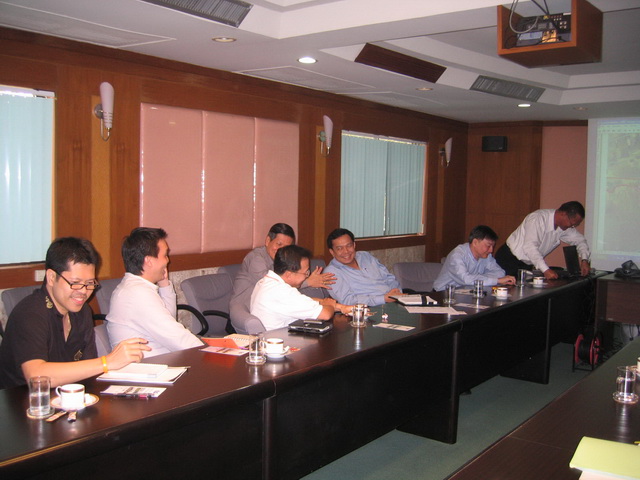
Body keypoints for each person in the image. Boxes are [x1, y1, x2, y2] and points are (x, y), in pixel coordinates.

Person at [0, 237, 150, 389]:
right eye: (75, 283)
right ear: (51, 277)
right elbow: (36, 376)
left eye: (89, 283)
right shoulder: (30, 313)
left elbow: (89, 371)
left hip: (68, 397)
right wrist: (107, 362)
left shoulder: (83, 311)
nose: (83, 292)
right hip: (24, 401)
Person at [107, 227, 203, 357]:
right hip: (148, 367)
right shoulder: (137, 294)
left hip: (160, 362)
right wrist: (210, 353)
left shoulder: (135, 287)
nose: (168, 260)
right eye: (165, 255)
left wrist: (164, 285)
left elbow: (169, 320)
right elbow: (177, 338)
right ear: (149, 261)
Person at [229, 223, 335, 318]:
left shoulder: (283, 261)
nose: (282, 250)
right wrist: (308, 282)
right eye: (279, 244)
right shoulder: (256, 258)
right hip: (245, 316)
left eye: (286, 247)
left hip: (272, 312)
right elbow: (275, 286)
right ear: (268, 241)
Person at [250, 245, 349, 331]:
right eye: (306, 273)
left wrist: (341, 307)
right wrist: (330, 305)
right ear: (289, 274)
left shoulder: (266, 282)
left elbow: (303, 301)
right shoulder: (283, 292)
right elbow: (326, 314)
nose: (307, 276)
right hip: (282, 342)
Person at [495, 201, 591, 280]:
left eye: (575, 225)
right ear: (564, 214)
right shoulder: (537, 219)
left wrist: (584, 260)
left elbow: (580, 240)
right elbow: (530, 247)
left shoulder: (564, 227)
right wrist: (545, 270)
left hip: (526, 264)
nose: (572, 227)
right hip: (509, 259)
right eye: (572, 224)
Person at [324, 228, 402, 306]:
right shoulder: (331, 272)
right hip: (367, 309)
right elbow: (348, 300)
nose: (346, 251)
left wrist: (396, 292)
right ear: (332, 252)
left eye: (349, 245)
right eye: (339, 248)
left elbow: (389, 278)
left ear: (354, 245)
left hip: (395, 302)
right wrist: (383, 298)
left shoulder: (365, 256)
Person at [433, 225, 516, 291]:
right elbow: (466, 279)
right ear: (475, 242)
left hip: (465, 293)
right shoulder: (457, 255)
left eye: (493, 246)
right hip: (442, 294)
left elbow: (500, 273)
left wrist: (478, 278)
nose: (491, 250)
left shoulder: (486, 255)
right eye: (488, 246)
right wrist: (497, 280)